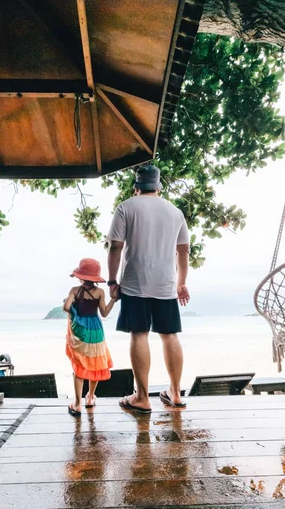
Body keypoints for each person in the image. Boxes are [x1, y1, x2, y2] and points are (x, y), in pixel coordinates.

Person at [106, 164, 190, 413]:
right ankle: (175, 393)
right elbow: (183, 250)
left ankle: (142, 397)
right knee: (169, 334)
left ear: (136, 186)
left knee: (139, 334)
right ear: (158, 186)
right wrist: (182, 282)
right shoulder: (175, 212)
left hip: (135, 283)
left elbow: (114, 247)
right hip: (165, 283)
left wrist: (112, 281)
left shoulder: (126, 207)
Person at [63, 258, 116, 417]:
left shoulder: (74, 290)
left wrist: (72, 308)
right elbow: (104, 313)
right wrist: (114, 299)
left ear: (80, 276)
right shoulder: (100, 292)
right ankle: (91, 397)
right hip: (96, 330)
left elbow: (66, 308)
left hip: (79, 330)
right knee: (95, 362)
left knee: (79, 366)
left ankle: (78, 404)